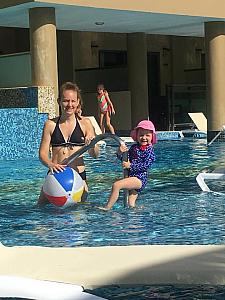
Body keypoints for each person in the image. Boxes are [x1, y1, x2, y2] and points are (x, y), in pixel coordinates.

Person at [37, 82, 100, 206]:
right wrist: (50, 164)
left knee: (81, 214)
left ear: (78, 102)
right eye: (66, 101)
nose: (69, 105)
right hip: (55, 176)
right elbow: (42, 154)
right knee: (40, 211)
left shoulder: (85, 123)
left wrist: (91, 144)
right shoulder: (50, 125)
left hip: (78, 177)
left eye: (73, 101)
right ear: (59, 101)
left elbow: (95, 155)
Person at [98, 120, 156, 210]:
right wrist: (119, 152)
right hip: (131, 176)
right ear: (136, 136)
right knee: (131, 205)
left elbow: (146, 165)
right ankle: (136, 217)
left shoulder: (150, 150)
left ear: (152, 137)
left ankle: (107, 208)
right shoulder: (134, 147)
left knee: (116, 185)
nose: (144, 137)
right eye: (141, 135)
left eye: (147, 135)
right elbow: (125, 160)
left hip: (139, 179)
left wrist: (131, 166)